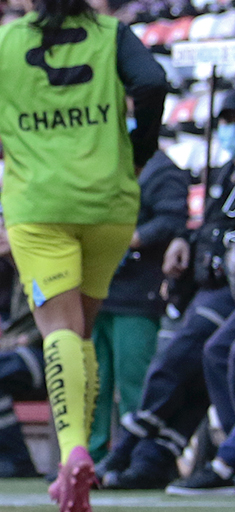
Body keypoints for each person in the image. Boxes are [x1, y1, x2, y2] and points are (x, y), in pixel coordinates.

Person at [0, 0, 168, 512]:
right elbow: (152, 82)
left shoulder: (2, 44)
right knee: (84, 330)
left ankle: (72, 451)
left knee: (60, 332)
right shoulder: (110, 32)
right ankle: (77, 458)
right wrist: (139, 147)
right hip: (109, 200)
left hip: (40, 206)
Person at [91, 150, 188, 461]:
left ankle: (138, 457)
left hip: (137, 293)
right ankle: (88, 455)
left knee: (135, 380)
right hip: (99, 287)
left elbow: (174, 220)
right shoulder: (104, 159)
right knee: (93, 381)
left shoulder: (162, 170)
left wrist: (134, 237)